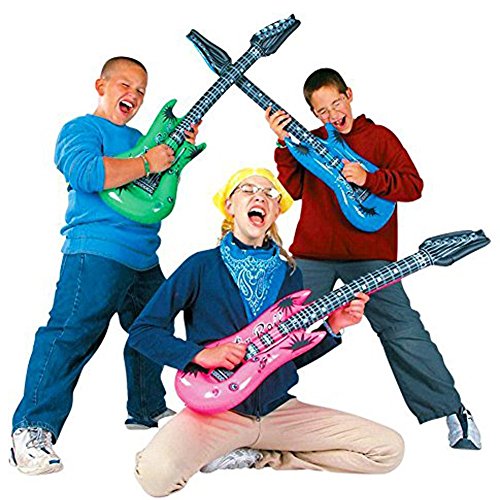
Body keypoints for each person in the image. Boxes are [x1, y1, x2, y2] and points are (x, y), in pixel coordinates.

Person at [128, 167, 403, 497]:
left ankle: (262, 456)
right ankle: (227, 445)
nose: (259, 196)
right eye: (247, 190)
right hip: (217, 412)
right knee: (155, 476)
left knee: (388, 450)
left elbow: (284, 357)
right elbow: (143, 331)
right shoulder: (200, 266)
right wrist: (200, 355)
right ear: (229, 206)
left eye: (270, 194)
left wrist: (333, 327)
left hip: (279, 412)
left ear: (275, 212)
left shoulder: (291, 275)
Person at [265, 67, 480, 450]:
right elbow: (294, 190)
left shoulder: (380, 138)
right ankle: (253, 403)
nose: (333, 115)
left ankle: (453, 411)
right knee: (275, 326)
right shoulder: (308, 142)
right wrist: (283, 145)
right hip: (313, 254)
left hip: (371, 256)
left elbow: (413, 186)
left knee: (402, 328)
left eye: (337, 104)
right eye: (322, 111)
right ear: (313, 114)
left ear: (349, 94)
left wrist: (370, 179)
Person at [10, 56, 200, 475]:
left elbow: (156, 192)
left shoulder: (143, 138)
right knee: (70, 336)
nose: (133, 95)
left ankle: (147, 408)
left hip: (143, 256)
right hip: (95, 250)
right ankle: (32, 430)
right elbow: (87, 173)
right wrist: (150, 161)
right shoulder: (81, 129)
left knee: (154, 331)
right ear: (101, 86)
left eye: (141, 91)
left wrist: (177, 154)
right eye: (124, 85)